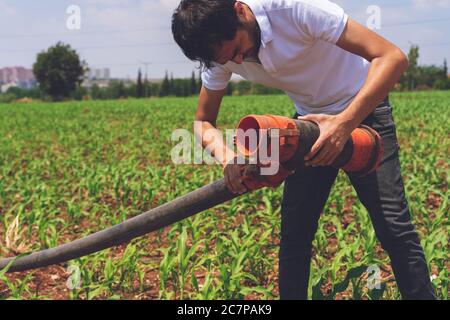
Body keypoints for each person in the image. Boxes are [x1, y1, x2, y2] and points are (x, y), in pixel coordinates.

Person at [171, 0, 436, 299]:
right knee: (294, 236)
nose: (238, 59)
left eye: (236, 50)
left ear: (240, 12)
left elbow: (392, 57)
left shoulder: (294, 10)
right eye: (228, 59)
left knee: (394, 230)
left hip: (364, 112)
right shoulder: (221, 52)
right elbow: (203, 121)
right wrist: (229, 158)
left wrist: (345, 123)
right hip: (310, 125)